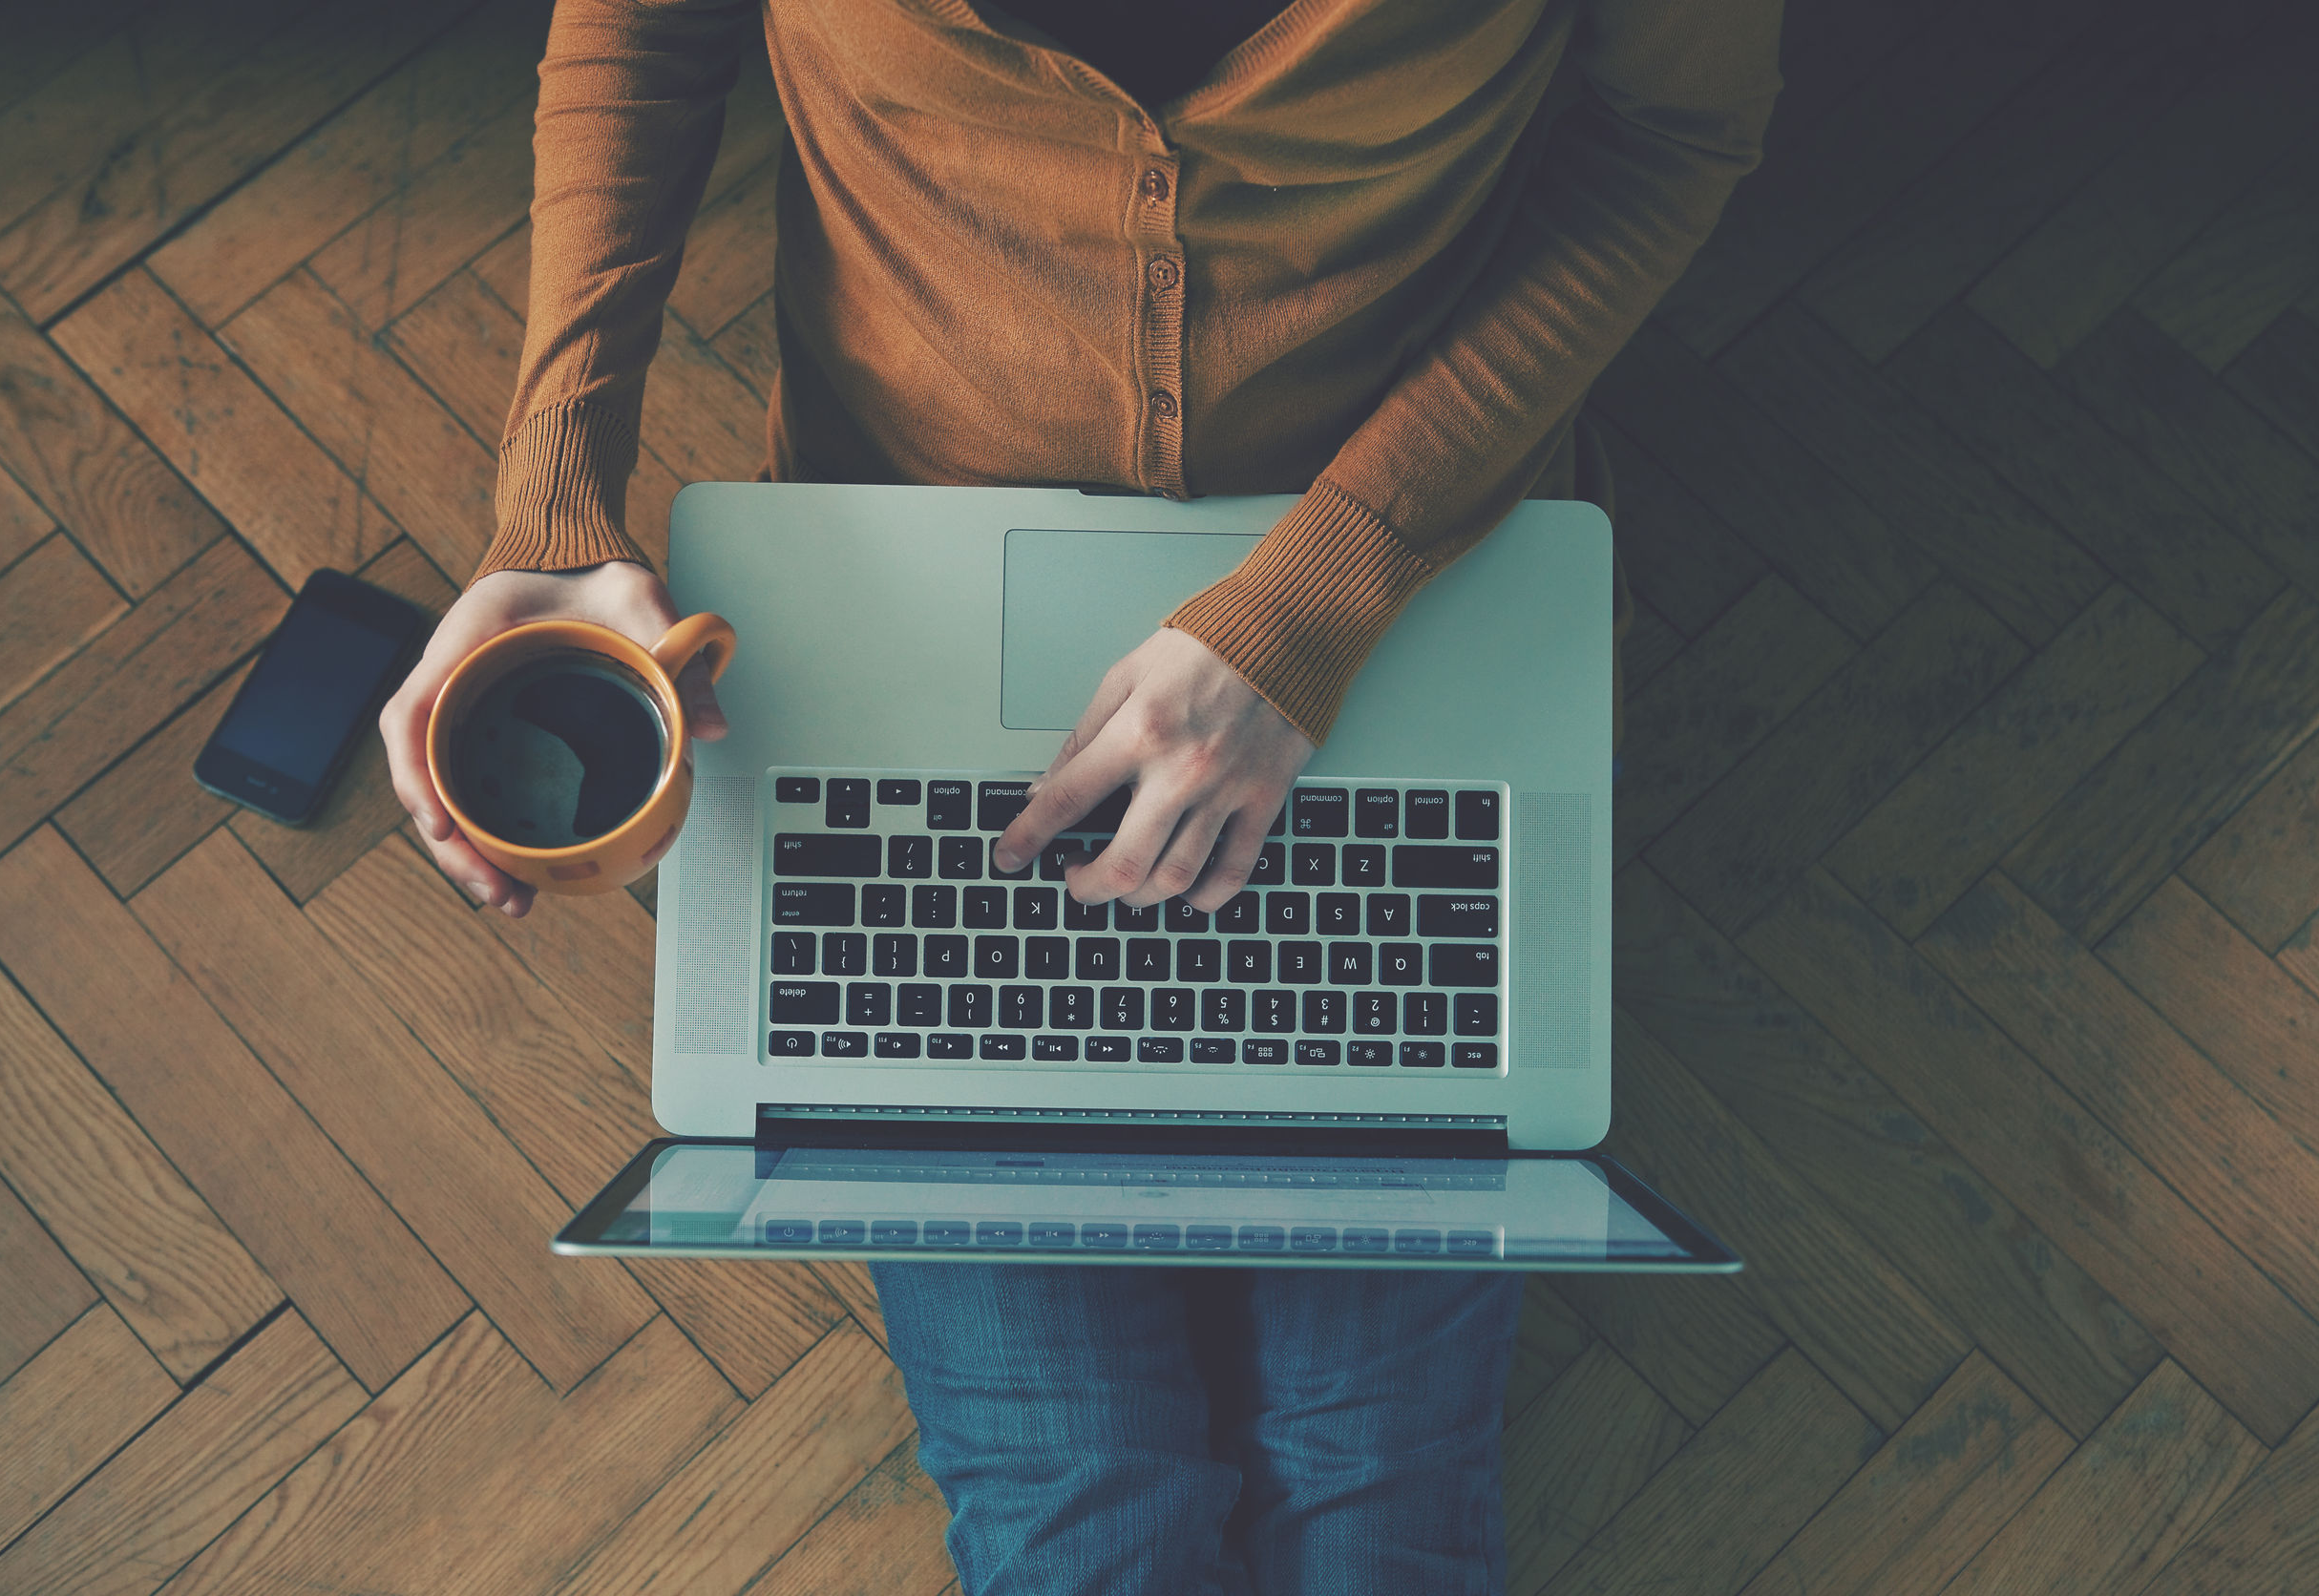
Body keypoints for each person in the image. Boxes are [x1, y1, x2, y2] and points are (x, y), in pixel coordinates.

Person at [380, 3, 1780, 1588]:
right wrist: (551, 497)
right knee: (1083, 1499)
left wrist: (1313, 604)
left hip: (1411, 585)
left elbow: (1668, 134)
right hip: (903, 592)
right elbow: (641, 32)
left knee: (1369, 1486)